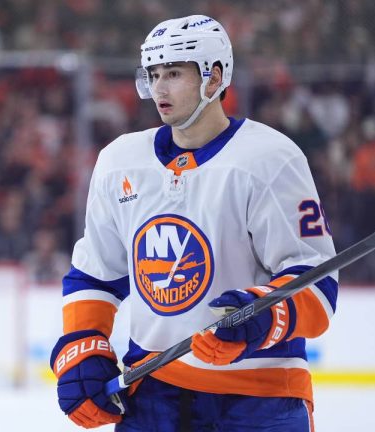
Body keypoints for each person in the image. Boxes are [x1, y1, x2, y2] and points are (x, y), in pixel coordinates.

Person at [51, 15, 338, 431]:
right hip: (153, 396)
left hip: (259, 399)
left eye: (173, 73)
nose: (159, 89)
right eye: (153, 74)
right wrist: (82, 343)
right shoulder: (119, 162)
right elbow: (95, 274)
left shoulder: (270, 159)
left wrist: (261, 317)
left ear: (214, 77)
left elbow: (318, 286)